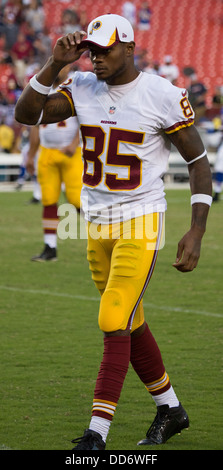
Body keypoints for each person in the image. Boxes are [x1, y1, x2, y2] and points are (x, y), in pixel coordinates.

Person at [15, 13, 213, 450]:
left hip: (140, 220)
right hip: (96, 222)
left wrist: (196, 229)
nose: (97, 58)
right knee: (130, 320)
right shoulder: (83, 86)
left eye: (106, 49)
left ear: (129, 47)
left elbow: (199, 161)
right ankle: (171, 409)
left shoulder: (161, 94)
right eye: (92, 50)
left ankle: (96, 434)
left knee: (112, 317)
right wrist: (53, 65)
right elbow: (26, 114)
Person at [25, 66, 83, 261]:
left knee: (77, 200)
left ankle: (103, 238)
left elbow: (86, 121)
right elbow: (35, 124)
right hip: (47, 153)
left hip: (71, 154)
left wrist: (74, 144)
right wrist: (31, 155)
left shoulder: (76, 89)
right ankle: (50, 248)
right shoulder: (43, 91)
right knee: (48, 200)